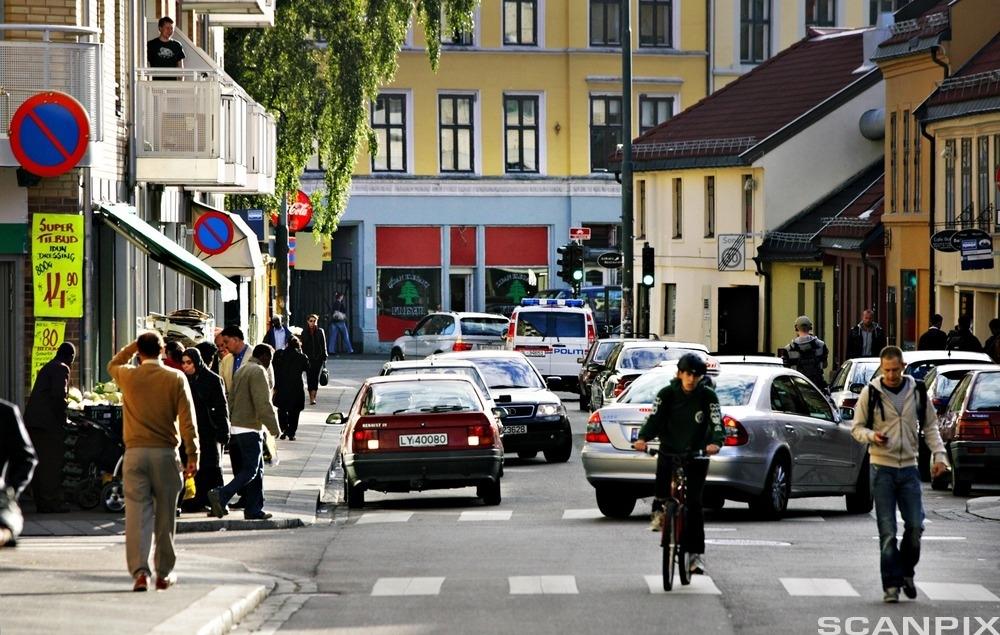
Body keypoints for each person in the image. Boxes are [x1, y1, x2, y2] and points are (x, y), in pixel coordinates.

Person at [851, 345, 949, 603]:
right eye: (887, 370)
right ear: (882, 368)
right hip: (881, 468)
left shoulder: (916, 391)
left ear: (903, 366)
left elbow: (930, 426)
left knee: (915, 527)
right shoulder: (870, 392)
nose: (891, 375)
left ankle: (907, 571)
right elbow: (857, 428)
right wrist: (872, 436)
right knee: (887, 531)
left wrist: (940, 455)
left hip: (909, 468)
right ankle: (891, 586)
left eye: (895, 370)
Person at [108, 332, 198, 592]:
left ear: (139, 352)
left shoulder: (129, 376)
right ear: (162, 350)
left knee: (136, 515)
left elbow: (112, 364)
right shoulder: (175, 378)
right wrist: (193, 454)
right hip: (165, 453)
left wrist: (131, 347)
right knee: (166, 516)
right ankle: (164, 572)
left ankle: (139, 572)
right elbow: (187, 422)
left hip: (134, 453)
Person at [633, 353, 723, 576]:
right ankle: (661, 512)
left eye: (696, 375)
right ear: (679, 374)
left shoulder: (707, 396)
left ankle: (695, 556)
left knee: (694, 505)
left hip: (697, 452)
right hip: (670, 449)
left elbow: (716, 422)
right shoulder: (667, 394)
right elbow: (653, 419)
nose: (691, 379)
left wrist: (716, 442)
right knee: (662, 486)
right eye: (687, 374)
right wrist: (643, 438)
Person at [208, 344, 281, 521]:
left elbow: (230, 399)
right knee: (251, 470)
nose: (269, 363)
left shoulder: (241, 370)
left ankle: (254, 508)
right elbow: (263, 403)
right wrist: (274, 428)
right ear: (263, 356)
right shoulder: (258, 372)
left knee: (257, 471)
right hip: (250, 426)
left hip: (238, 426)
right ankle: (222, 494)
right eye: (269, 358)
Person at [23, 341, 75, 513]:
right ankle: (51, 503)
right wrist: (64, 419)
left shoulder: (48, 366)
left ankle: (41, 501)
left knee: (38, 463)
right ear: (71, 357)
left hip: (33, 422)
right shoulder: (62, 368)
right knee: (50, 464)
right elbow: (58, 396)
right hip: (48, 424)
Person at [179, 348, 229, 513]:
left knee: (212, 466)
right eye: (184, 362)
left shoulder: (212, 380)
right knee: (192, 465)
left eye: (189, 362)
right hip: (190, 430)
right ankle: (195, 500)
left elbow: (222, 407)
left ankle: (218, 501)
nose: (186, 366)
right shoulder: (183, 381)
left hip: (209, 429)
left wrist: (223, 430)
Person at [1, 400, 37, 547]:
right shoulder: (5, 412)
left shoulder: (5, 412)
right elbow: (27, 458)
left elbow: (26, 458)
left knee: (6, 523)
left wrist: (11, 491)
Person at [272, 336, 310, 440]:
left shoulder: (279, 354)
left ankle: (283, 429)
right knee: (295, 411)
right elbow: (307, 368)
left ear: (287, 344)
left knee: (282, 409)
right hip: (296, 387)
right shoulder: (302, 357)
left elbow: (274, 367)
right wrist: (301, 352)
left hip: (282, 385)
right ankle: (292, 432)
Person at [785, 315, 829, 390]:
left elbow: (786, 369)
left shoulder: (789, 349)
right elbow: (825, 365)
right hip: (817, 387)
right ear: (810, 327)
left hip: (797, 387)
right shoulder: (820, 345)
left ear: (796, 328)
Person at [300, 314, 328, 405]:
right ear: (308, 322)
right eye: (311, 321)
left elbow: (324, 345)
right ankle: (311, 396)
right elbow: (303, 346)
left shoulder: (320, 331)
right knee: (309, 377)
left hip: (318, 358)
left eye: (314, 321)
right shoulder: (304, 332)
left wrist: (324, 356)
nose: (313, 323)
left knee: (315, 377)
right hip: (308, 359)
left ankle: (313, 398)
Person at [218, 325, 251, 393]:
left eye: (226, 342)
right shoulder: (225, 360)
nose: (225, 346)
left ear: (236, 339)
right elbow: (221, 385)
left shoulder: (255, 356)